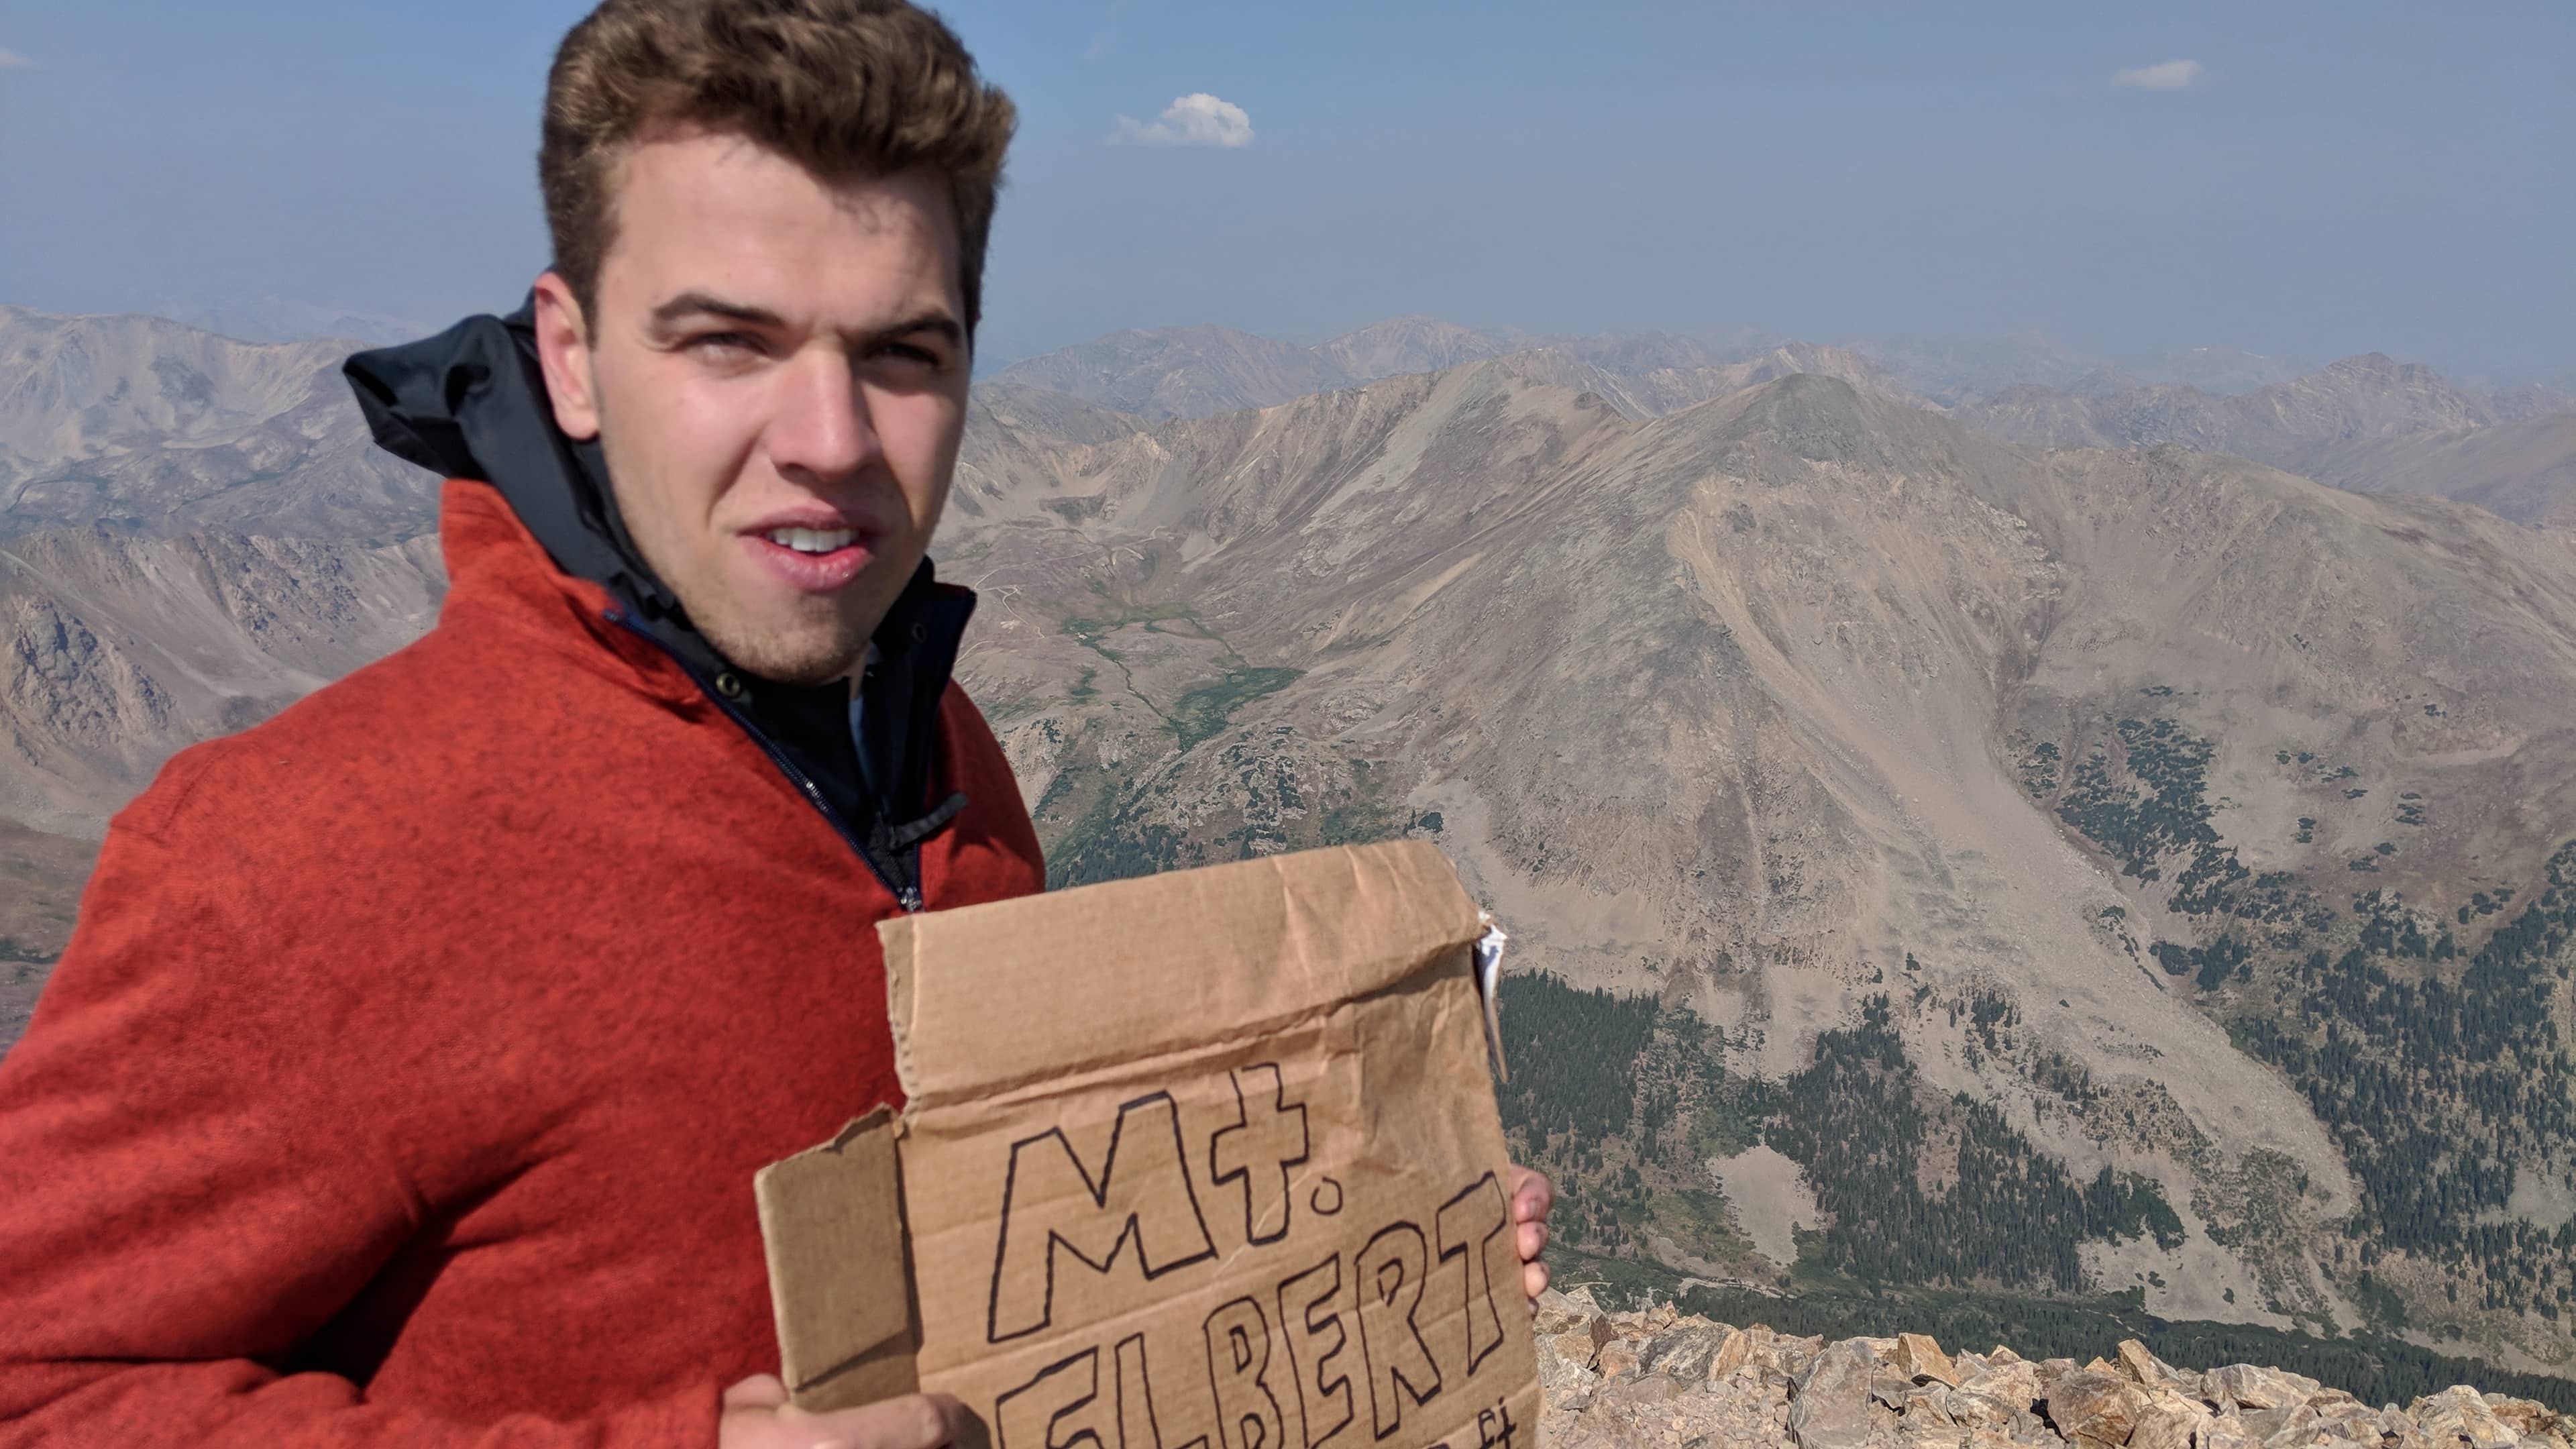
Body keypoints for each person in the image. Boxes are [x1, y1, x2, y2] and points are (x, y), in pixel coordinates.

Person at [0, 1, 1552, 1446]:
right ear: (571, 357)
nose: (829, 440)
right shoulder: (294, 857)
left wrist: (1364, 1220)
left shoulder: (940, 742)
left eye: (902, 355)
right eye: (728, 342)